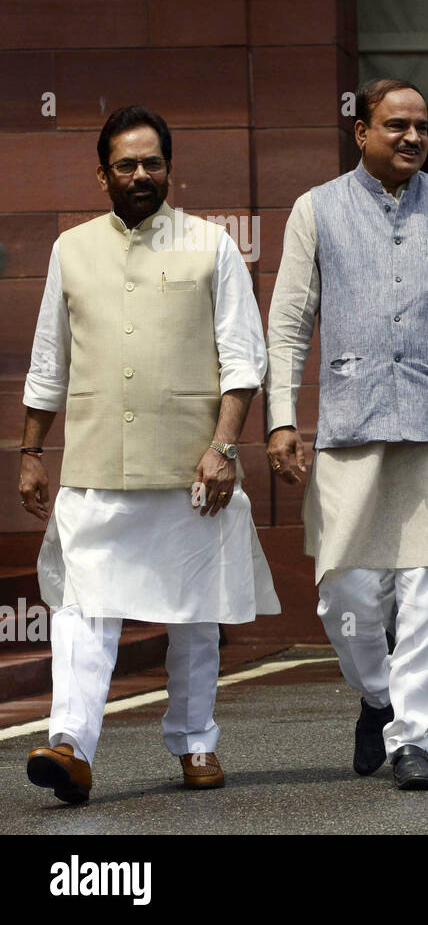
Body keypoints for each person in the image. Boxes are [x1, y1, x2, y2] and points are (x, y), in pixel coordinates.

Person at [20, 106, 278, 803]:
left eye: (153, 163)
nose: (141, 175)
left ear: (170, 167)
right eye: (127, 165)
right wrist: (31, 449)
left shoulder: (211, 245)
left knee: (193, 610)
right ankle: (71, 744)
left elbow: (243, 358)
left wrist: (225, 446)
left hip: (193, 466)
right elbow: (50, 358)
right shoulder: (70, 249)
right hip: (96, 464)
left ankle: (196, 742)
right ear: (102, 173)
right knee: (83, 608)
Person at [265, 79, 428, 790]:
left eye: (422, 128)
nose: (411, 138)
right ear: (361, 132)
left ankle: (413, 739)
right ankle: (377, 695)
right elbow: (287, 324)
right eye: (395, 125)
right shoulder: (317, 209)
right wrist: (282, 417)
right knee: (347, 593)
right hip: (350, 425)